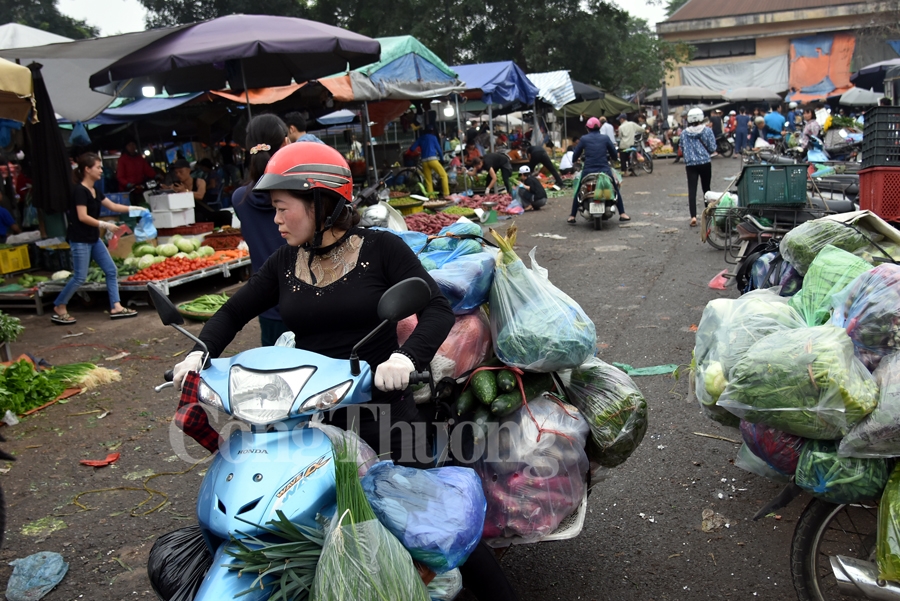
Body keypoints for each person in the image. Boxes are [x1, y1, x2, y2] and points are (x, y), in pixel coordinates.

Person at [171, 142, 519, 601]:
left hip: (381, 409)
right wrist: (200, 352)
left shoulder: (381, 249)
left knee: (427, 525)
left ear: (320, 201)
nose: (274, 220)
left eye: (281, 208)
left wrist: (404, 358)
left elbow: (434, 308)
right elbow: (233, 312)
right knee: (303, 526)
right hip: (313, 415)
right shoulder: (284, 263)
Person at [52, 153, 138, 325]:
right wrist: (105, 225)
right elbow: (82, 216)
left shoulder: (95, 191)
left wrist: (134, 209)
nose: (101, 170)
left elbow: (112, 206)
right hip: (80, 239)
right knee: (79, 277)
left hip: (93, 239)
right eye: (98, 167)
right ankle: (59, 305)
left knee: (111, 270)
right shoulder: (79, 191)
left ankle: (116, 306)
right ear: (87, 169)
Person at [231, 114, 291, 346]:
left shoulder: (240, 199)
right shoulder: (298, 196)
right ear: (285, 144)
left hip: (266, 306)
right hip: (307, 303)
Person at [567, 117, 630, 224]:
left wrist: (576, 159)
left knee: (578, 190)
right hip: (605, 171)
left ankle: (572, 216)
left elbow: (574, 156)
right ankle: (622, 213)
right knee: (615, 188)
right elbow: (614, 155)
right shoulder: (605, 138)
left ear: (588, 128)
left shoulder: (584, 139)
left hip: (588, 171)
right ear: (599, 127)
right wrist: (612, 157)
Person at [163, 160, 232, 228]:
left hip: (204, 211)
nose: (178, 175)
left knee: (226, 215)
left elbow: (200, 195)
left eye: (181, 172)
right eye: (176, 173)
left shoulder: (199, 182)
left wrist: (185, 191)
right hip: (187, 215)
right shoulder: (176, 186)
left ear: (188, 170)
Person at [680, 108, 717, 228]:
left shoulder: (684, 133)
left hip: (691, 164)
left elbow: (682, 148)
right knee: (706, 189)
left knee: (692, 191)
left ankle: (693, 217)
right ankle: (708, 214)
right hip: (705, 162)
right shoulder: (707, 131)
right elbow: (712, 148)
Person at [408, 126, 450, 198]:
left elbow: (412, 148)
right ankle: (446, 194)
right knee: (443, 175)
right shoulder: (433, 137)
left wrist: (419, 150)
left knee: (428, 180)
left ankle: (431, 197)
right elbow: (439, 149)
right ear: (432, 131)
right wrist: (442, 159)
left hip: (424, 161)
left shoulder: (421, 138)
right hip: (433, 160)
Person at [116, 138, 156, 204]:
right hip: (127, 191)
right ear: (126, 147)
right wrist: (128, 184)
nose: (132, 147)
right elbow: (120, 177)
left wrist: (155, 175)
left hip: (139, 188)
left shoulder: (140, 158)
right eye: (129, 145)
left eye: (133, 144)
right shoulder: (122, 159)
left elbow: (147, 170)